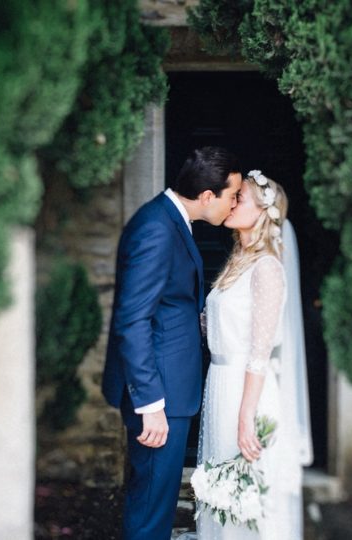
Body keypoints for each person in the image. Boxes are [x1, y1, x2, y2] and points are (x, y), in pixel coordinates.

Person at [102, 147, 242, 540]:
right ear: (208, 196)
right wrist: (150, 404)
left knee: (156, 504)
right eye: (231, 196)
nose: (233, 205)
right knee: (150, 509)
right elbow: (133, 321)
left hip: (168, 385)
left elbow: (166, 303)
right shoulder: (157, 228)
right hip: (158, 393)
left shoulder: (168, 220)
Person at [197, 170, 313, 540]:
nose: (231, 201)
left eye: (240, 197)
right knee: (223, 496)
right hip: (221, 384)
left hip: (248, 393)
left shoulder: (267, 269)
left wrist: (246, 415)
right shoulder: (237, 261)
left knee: (249, 499)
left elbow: (259, 353)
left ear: (264, 212)